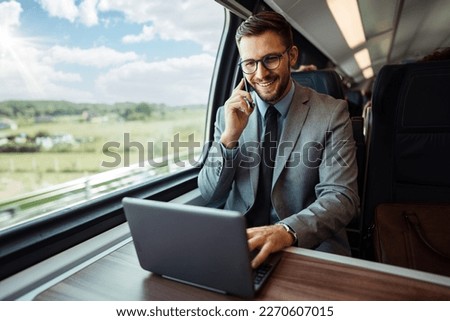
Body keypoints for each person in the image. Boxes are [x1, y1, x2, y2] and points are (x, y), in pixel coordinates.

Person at [198, 11, 359, 268]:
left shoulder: (331, 113)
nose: (260, 74)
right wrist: (229, 139)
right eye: (249, 63)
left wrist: (287, 231)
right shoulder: (227, 115)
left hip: (307, 245)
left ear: (292, 56)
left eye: (270, 59)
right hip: (241, 244)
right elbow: (209, 193)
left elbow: (341, 197)